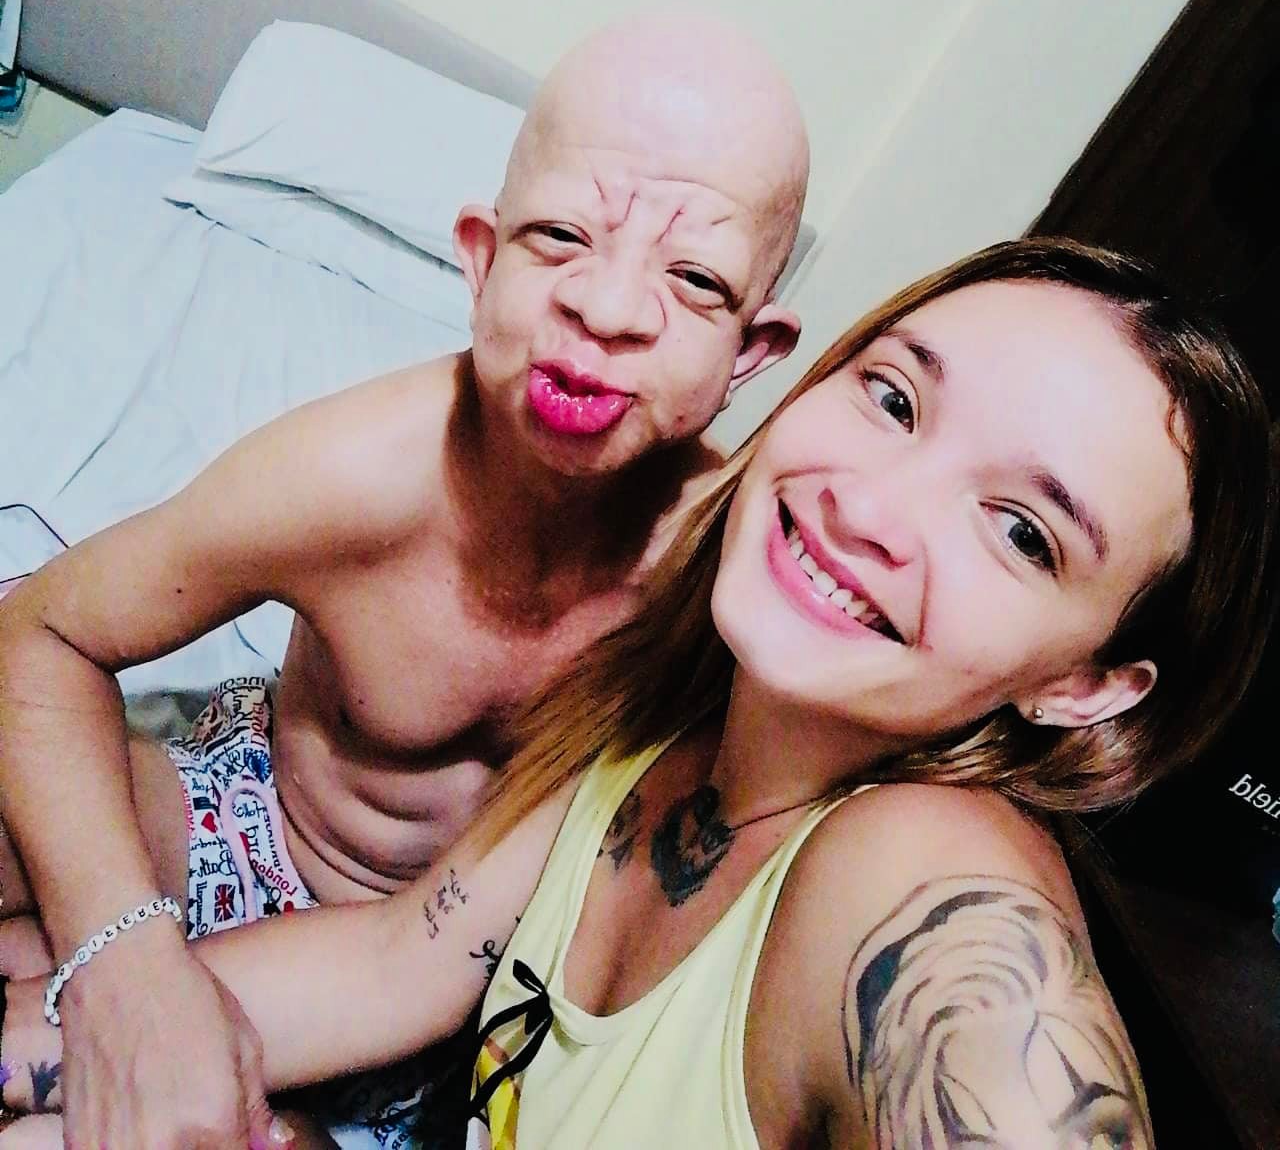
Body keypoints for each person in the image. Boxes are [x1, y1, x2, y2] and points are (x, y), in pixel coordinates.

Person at [1, 238, 1273, 1148]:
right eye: (892, 398)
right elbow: (397, 966)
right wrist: (109, 1016)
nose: (870, 509)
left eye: (1019, 533)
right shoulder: (665, 706)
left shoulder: (920, 875)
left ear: (1083, 688)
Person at [0, 13, 808, 1149]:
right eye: (560, 237)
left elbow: (415, 970)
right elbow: (39, 631)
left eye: (692, 279)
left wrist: (107, 1028)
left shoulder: (713, 598)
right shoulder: (352, 474)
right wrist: (122, 960)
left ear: (749, 357)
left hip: (448, 989)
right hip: (249, 817)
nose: (609, 309)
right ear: (480, 261)